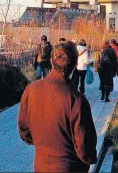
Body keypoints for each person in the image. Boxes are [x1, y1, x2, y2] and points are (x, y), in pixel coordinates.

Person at [18, 41, 97, 173]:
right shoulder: (76, 100)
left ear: (51, 61)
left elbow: (24, 130)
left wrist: (43, 145)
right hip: (70, 167)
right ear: (74, 64)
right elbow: (85, 146)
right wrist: (89, 160)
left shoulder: (31, 89)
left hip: (41, 164)